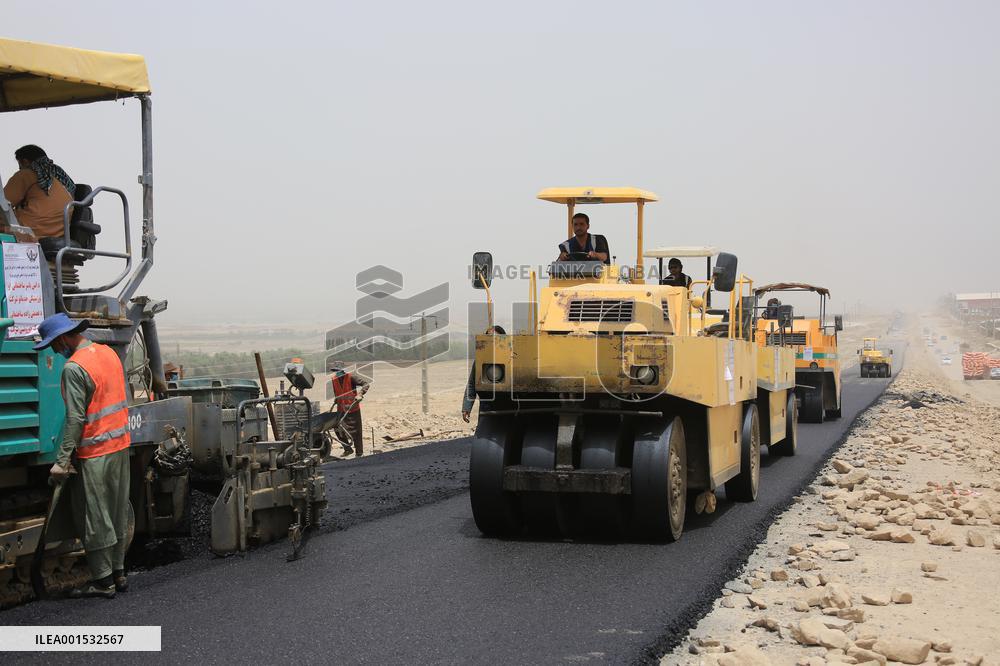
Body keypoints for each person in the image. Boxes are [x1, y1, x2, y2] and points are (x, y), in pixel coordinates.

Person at [36, 313, 131, 599]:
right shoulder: (108, 353)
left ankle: (103, 583)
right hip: (121, 445)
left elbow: (76, 419)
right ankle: (119, 573)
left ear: (64, 338)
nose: (54, 351)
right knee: (117, 511)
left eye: (53, 344)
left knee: (95, 516)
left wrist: (62, 460)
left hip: (95, 452)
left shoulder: (74, 368)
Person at [2, 145, 75, 239]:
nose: (19, 168)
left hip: (29, 231)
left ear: (25, 161)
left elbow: (3, 203)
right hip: (57, 234)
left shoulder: (26, 174)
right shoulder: (60, 179)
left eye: (19, 165)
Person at [462, 325, 506, 423]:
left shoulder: (511, 358)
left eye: (495, 338)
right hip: (487, 406)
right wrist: (466, 408)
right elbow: (472, 384)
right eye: (489, 338)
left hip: (508, 406)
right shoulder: (480, 360)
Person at [331, 363, 370, 457]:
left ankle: (359, 453)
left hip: (353, 408)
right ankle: (347, 449)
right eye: (335, 371)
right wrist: (336, 399)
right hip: (341, 409)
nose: (337, 373)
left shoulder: (351, 377)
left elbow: (366, 384)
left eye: (338, 371)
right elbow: (337, 392)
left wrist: (360, 394)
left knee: (357, 432)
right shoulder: (333, 379)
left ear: (343, 370)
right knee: (337, 428)